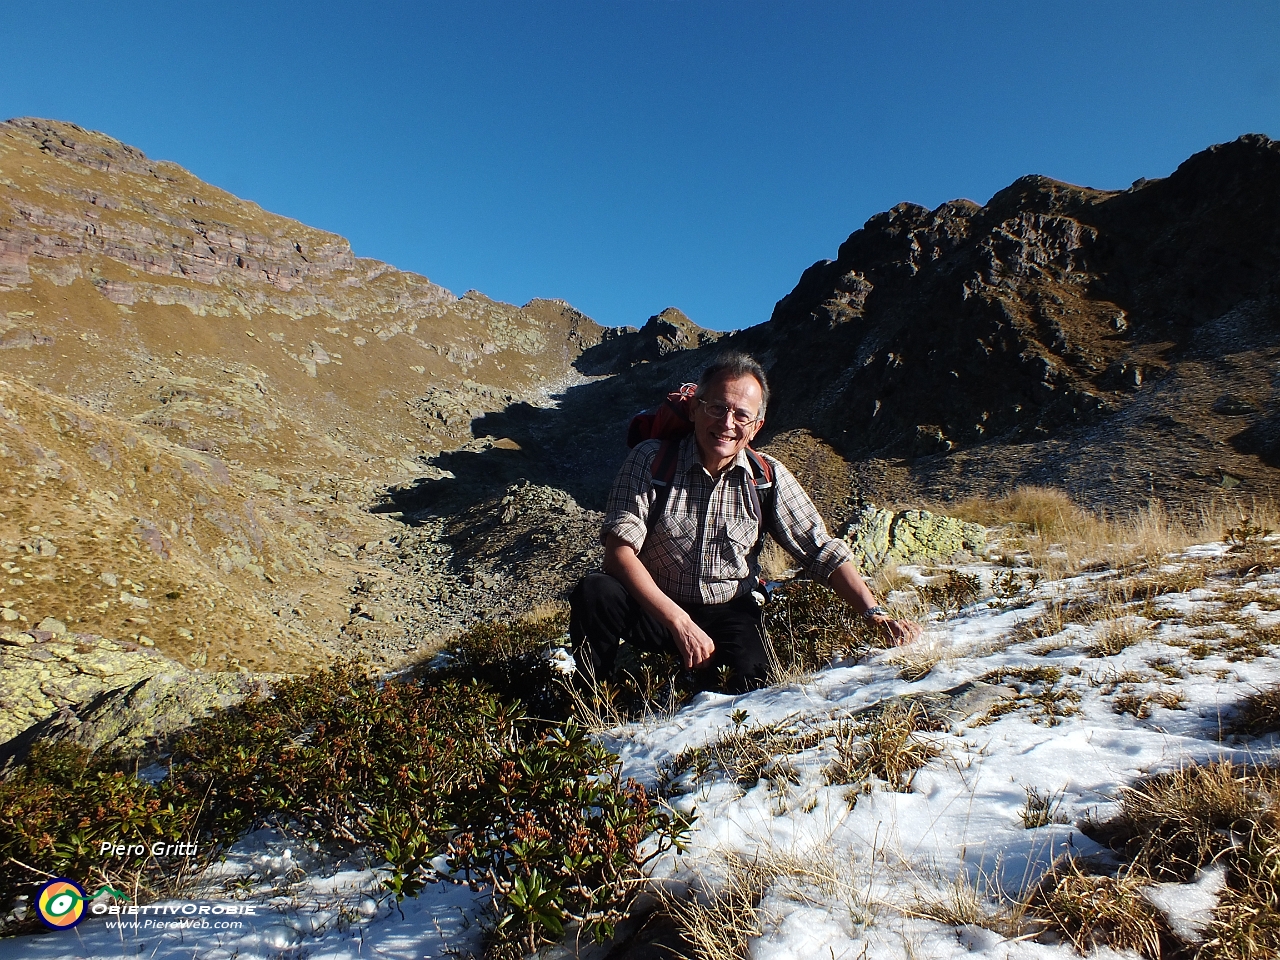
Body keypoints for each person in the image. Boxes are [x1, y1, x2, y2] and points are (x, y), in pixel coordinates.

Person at [569, 351, 922, 693]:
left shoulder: (766, 477)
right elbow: (619, 553)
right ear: (695, 409)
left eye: (741, 415)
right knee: (596, 591)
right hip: (656, 608)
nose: (726, 424)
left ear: (756, 427)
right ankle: (588, 705)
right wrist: (679, 622)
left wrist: (874, 613)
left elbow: (820, 549)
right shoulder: (650, 460)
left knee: (752, 686)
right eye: (717, 408)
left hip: (728, 611)